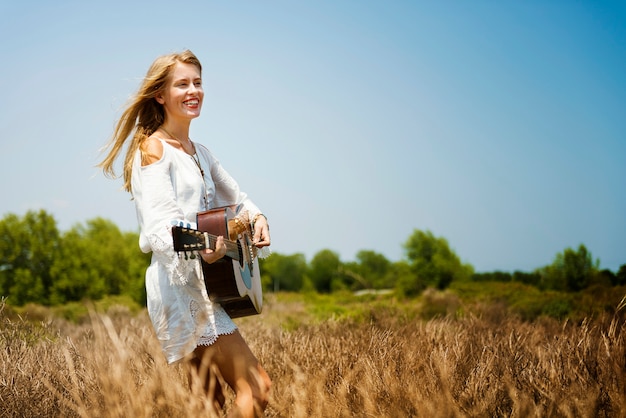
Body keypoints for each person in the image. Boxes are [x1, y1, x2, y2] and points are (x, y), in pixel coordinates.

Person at [98, 50, 272, 417]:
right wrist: (206, 246)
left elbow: (238, 200)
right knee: (256, 388)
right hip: (181, 290)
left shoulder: (201, 153)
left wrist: (258, 218)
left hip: (204, 284)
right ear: (160, 94)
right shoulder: (154, 148)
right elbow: (162, 229)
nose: (193, 90)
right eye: (182, 84)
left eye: (197, 82)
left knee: (210, 404)